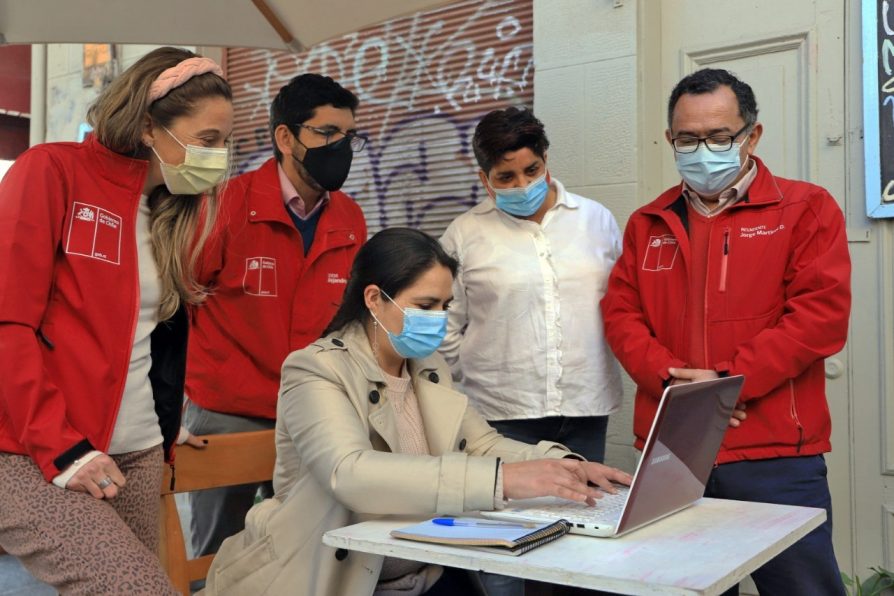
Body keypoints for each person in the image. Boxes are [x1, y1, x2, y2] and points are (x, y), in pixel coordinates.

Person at [200, 227, 632, 596]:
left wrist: (565, 466)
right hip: (336, 577)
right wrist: (504, 481)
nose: (439, 320)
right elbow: (350, 473)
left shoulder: (427, 367)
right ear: (374, 298)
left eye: (445, 306)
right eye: (426, 306)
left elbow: (481, 442)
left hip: (421, 568)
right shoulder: (315, 368)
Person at [600, 68, 851, 595]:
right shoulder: (648, 222)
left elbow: (818, 316)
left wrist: (722, 385)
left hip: (775, 455)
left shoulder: (805, 209)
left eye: (719, 137)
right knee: (681, 587)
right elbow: (621, 314)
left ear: (752, 135)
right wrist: (670, 378)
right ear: (671, 140)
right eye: (688, 139)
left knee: (802, 588)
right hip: (673, 452)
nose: (703, 150)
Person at [0, 47, 233, 594]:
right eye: (207, 142)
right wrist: (62, 448)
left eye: (225, 143)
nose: (220, 158)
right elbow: (7, 323)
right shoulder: (52, 170)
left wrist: (172, 419)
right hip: (36, 451)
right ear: (151, 128)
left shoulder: (169, 211)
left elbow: (148, 338)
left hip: (137, 448)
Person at [183, 73, 367, 560]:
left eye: (349, 136)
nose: (340, 148)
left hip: (312, 408)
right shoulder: (225, 204)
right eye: (326, 134)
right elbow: (176, 304)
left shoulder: (350, 218)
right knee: (219, 553)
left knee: (308, 549)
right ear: (285, 136)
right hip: (228, 412)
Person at [439, 107, 623, 464]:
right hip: (499, 413)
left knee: (584, 510)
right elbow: (442, 321)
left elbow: (622, 304)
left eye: (531, 170)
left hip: (585, 407)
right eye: (505, 177)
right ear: (484, 178)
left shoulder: (595, 219)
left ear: (545, 161)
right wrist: (475, 373)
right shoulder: (463, 234)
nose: (521, 185)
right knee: (510, 517)